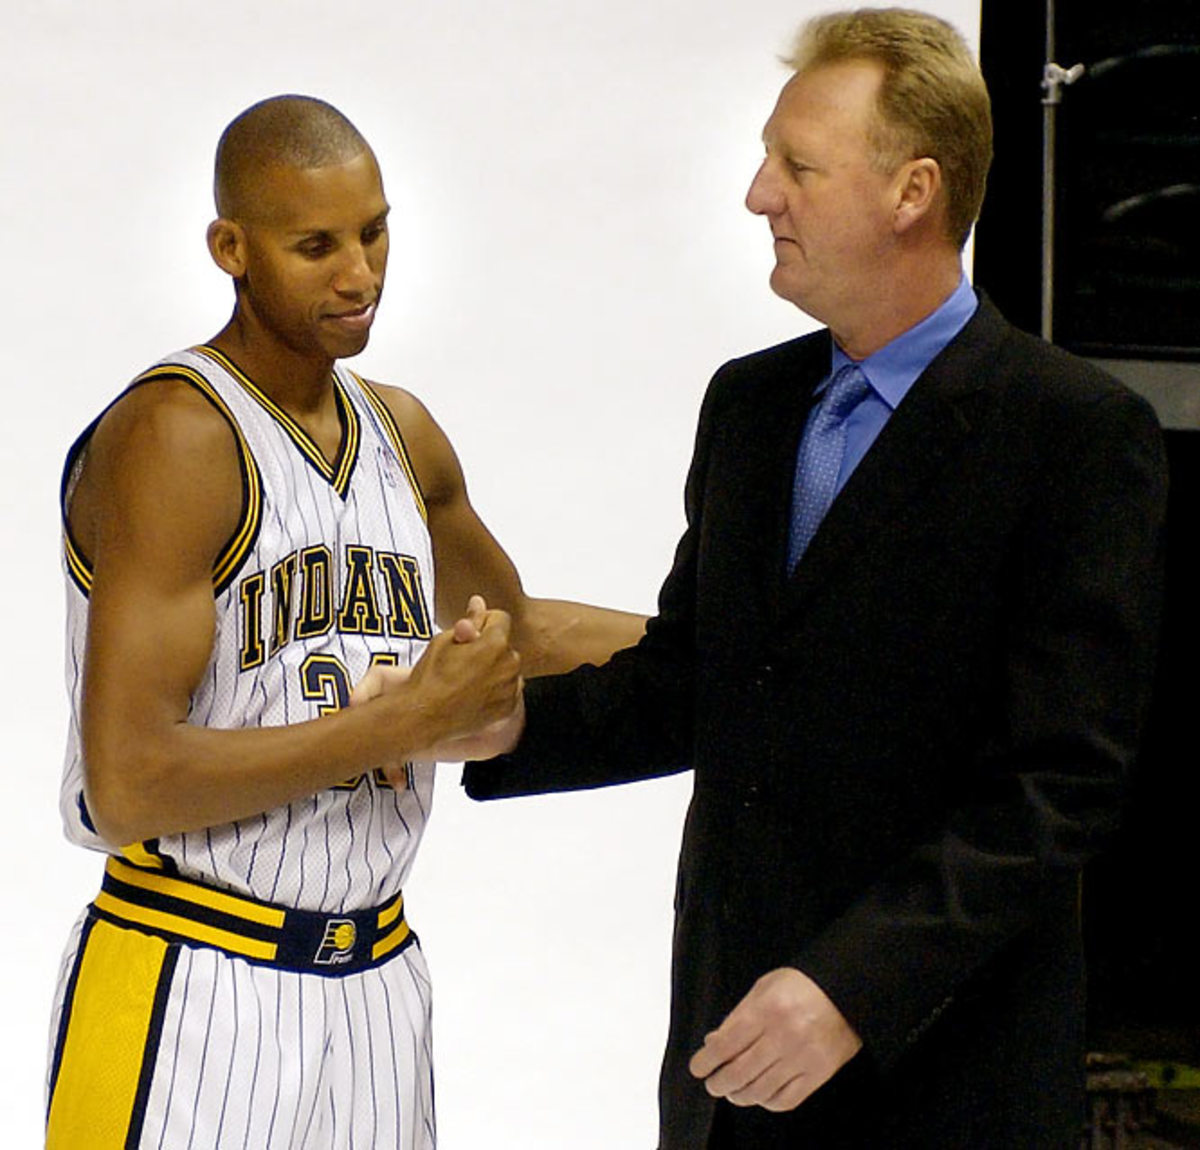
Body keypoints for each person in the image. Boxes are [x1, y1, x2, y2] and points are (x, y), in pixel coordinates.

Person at [459, 9, 1168, 1147]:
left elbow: (1058, 787)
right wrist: (498, 727)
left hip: (943, 1083)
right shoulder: (750, 404)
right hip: (728, 1073)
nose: (757, 195)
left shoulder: (1074, 435)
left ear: (913, 192)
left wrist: (851, 985)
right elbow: (704, 677)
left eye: (796, 166)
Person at [44, 95, 643, 1150]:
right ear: (231, 247)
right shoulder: (176, 436)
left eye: (374, 231)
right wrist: (399, 726)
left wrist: (749, 641)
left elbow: (513, 633)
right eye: (314, 244)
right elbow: (128, 778)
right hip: (192, 978)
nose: (359, 272)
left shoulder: (402, 432)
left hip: (375, 985)